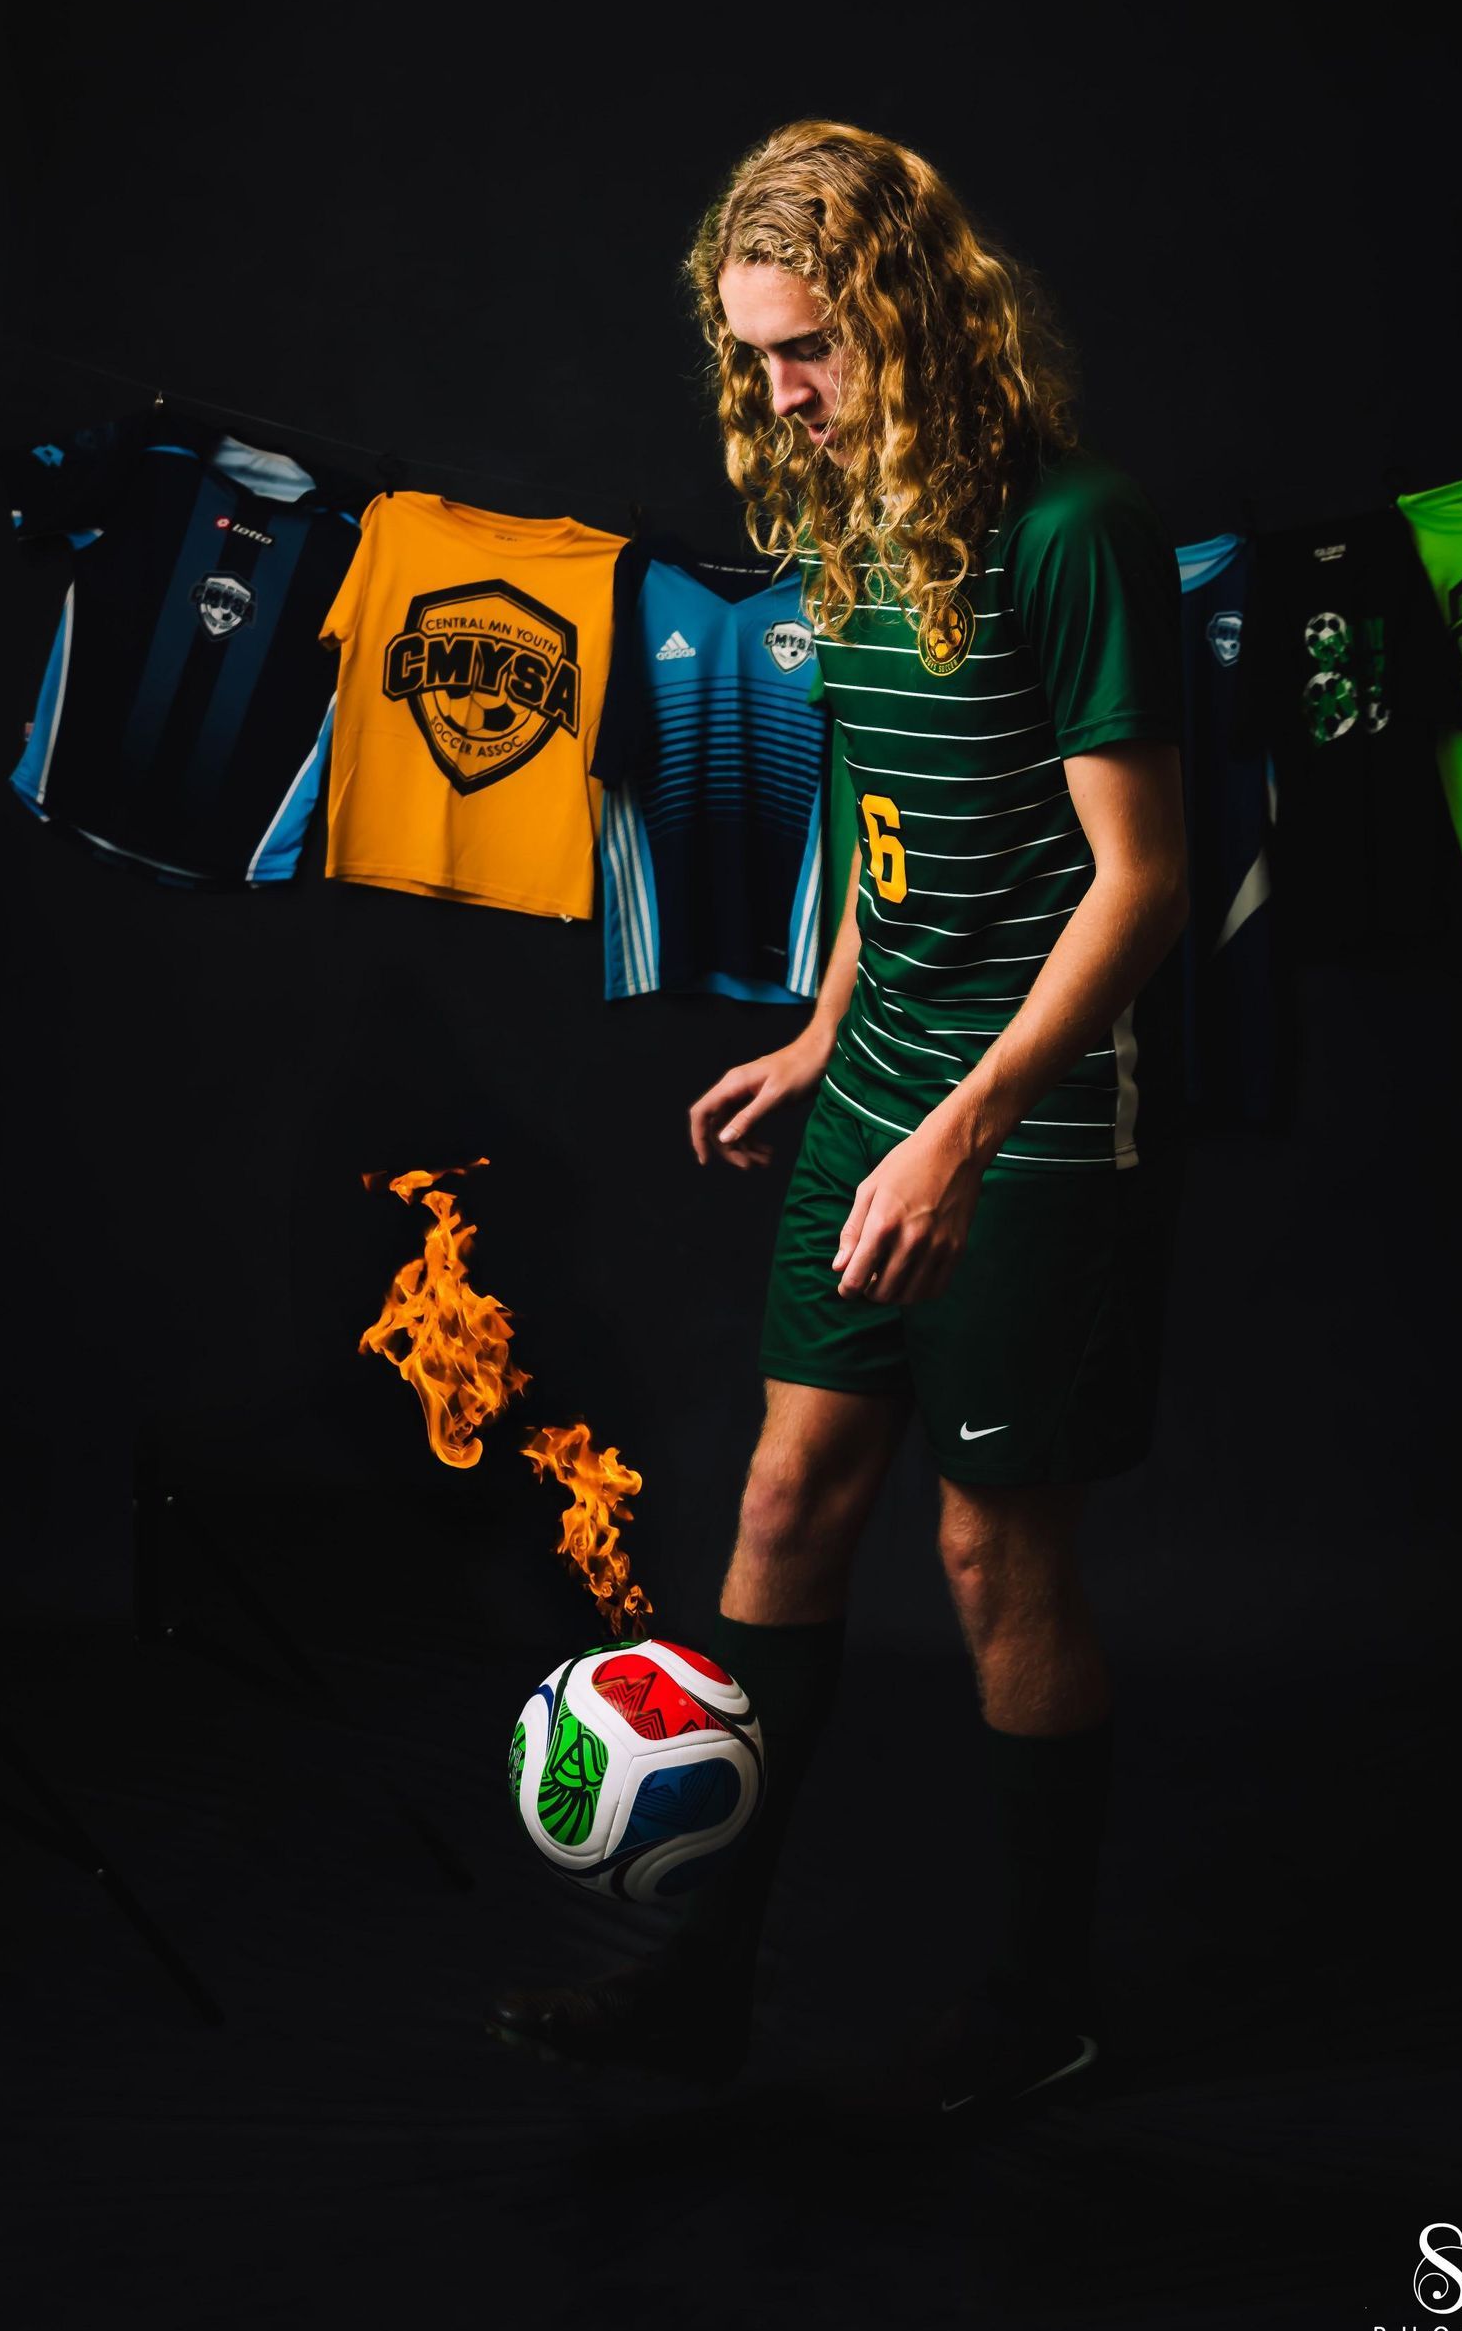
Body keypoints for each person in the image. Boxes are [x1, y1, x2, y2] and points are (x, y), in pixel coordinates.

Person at [490, 119, 1188, 2115]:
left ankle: (1042, 2001)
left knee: (988, 1560)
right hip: (882, 1083)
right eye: (759, 357)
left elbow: (1135, 885)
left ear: (915, 316)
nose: (782, 396)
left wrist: (958, 1128)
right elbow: (899, 839)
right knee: (786, 1501)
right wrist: (824, 1041)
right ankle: (700, 1977)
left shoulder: (1077, 534)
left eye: (812, 351)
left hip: (1039, 1117)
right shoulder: (860, 531)